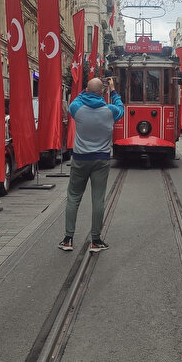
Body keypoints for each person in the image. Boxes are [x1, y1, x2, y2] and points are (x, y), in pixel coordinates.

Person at [58, 77, 124, 254]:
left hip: (80, 159)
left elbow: (76, 99)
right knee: (98, 199)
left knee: (73, 197)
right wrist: (113, 90)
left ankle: (68, 239)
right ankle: (95, 240)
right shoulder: (110, 111)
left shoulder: (77, 109)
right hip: (101, 160)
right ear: (102, 92)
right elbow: (121, 108)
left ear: (87, 90)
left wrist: (86, 89)